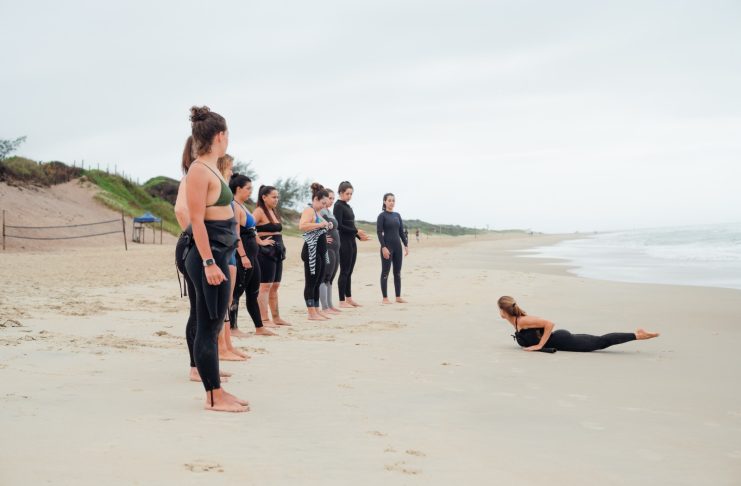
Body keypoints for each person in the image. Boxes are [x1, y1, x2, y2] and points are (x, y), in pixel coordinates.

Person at [183, 105, 248, 412]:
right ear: (221, 136)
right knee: (209, 326)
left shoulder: (212, 169)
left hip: (221, 253)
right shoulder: (198, 170)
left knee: (213, 322)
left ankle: (217, 390)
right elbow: (196, 220)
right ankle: (212, 397)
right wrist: (209, 263)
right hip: (208, 258)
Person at [174, 136, 231, 383]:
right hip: (196, 248)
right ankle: (196, 367)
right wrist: (198, 242)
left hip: (208, 247)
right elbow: (181, 211)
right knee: (199, 313)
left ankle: (205, 367)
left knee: (203, 313)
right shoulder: (192, 176)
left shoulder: (207, 174)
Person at [497, 296, 660, 353]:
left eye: (499, 309)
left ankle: (638, 335)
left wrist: (540, 345)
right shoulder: (516, 321)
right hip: (561, 341)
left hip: (564, 340)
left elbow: (549, 323)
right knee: (598, 340)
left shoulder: (523, 321)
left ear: (504, 311)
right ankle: (637, 334)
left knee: (600, 342)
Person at [229, 172, 276, 336]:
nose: (250, 191)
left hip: (252, 255)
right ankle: (232, 328)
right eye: (248, 188)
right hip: (243, 256)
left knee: (253, 292)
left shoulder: (243, 206)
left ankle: (259, 327)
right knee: (236, 292)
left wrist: (260, 241)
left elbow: (251, 229)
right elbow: (236, 234)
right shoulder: (234, 206)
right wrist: (242, 256)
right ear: (238, 188)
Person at [214, 154, 249, 361]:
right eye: (229, 168)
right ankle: (221, 346)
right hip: (222, 250)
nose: (232, 171)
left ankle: (227, 344)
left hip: (230, 251)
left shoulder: (226, 195)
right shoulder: (218, 191)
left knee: (228, 300)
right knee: (222, 302)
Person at [254, 185, 291, 326]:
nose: (277, 199)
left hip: (277, 251)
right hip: (265, 253)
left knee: (275, 285)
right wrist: (260, 241)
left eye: (277, 197)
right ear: (264, 197)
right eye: (274, 197)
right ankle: (264, 319)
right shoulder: (259, 211)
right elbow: (247, 227)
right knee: (265, 286)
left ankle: (276, 318)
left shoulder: (273, 211)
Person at [333, 181, 370, 307]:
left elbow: (351, 225)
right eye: (347, 193)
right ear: (340, 193)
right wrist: (356, 231)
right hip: (343, 242)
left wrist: (358, 236)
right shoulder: (338, 206)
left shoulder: (348, 206)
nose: (349, 196)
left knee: (349, 271)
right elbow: (339, 226)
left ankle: (349, 298)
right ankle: (341, 301)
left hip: (352, 242)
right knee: (344, 271)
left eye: (351, 194)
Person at [299, 183, 332, 320]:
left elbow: (320, 225)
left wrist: (327, 224)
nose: (325, 206)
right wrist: (320, 224)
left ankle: (317, 310)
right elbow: (302, 226)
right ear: (316, 199)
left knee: (318, 281)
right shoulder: (309, 210)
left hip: (320, 251)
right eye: (323, 203)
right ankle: (311, 312)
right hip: (311, 251)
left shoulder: (317, 212)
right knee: (311, 282)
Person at [377, 193, 409, 304]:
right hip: (387, 247)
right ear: (385, 202)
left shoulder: (397, 215)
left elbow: (401, 232)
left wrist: (406, 244)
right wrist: (383, 247)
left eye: (393, 200)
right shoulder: (382, 216)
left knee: (397, 272)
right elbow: (379, 233)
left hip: (397, 248)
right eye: (389, 200)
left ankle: (398, 297)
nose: (392, 202)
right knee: (385, 272)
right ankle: (385, 298)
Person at [319, 189, 341, 314]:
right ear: (324, 198)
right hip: (327, 248)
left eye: (333, 198)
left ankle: (330, 305)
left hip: (335, 249)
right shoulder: (321, 211)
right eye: (329, 198)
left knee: (330, 278)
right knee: (325, 276)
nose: (331, 201)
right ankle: (325, 307)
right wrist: (322, 237)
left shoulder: (329, 212)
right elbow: (313, 224)